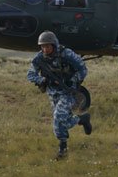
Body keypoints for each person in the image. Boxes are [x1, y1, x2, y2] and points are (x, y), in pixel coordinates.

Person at [27, 31, 92, 159]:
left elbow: (82, 69)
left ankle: (63, 149)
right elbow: (30, 75)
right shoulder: (39, 58)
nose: (45, 49)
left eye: (47, 46)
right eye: (42, 46)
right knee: (60, 123)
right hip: (53, 93)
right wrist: (43, 80)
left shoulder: (66, 54)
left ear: (54, 45)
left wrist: (73, 80)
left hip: (68, 91)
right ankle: (80, 121)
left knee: (58, 117)